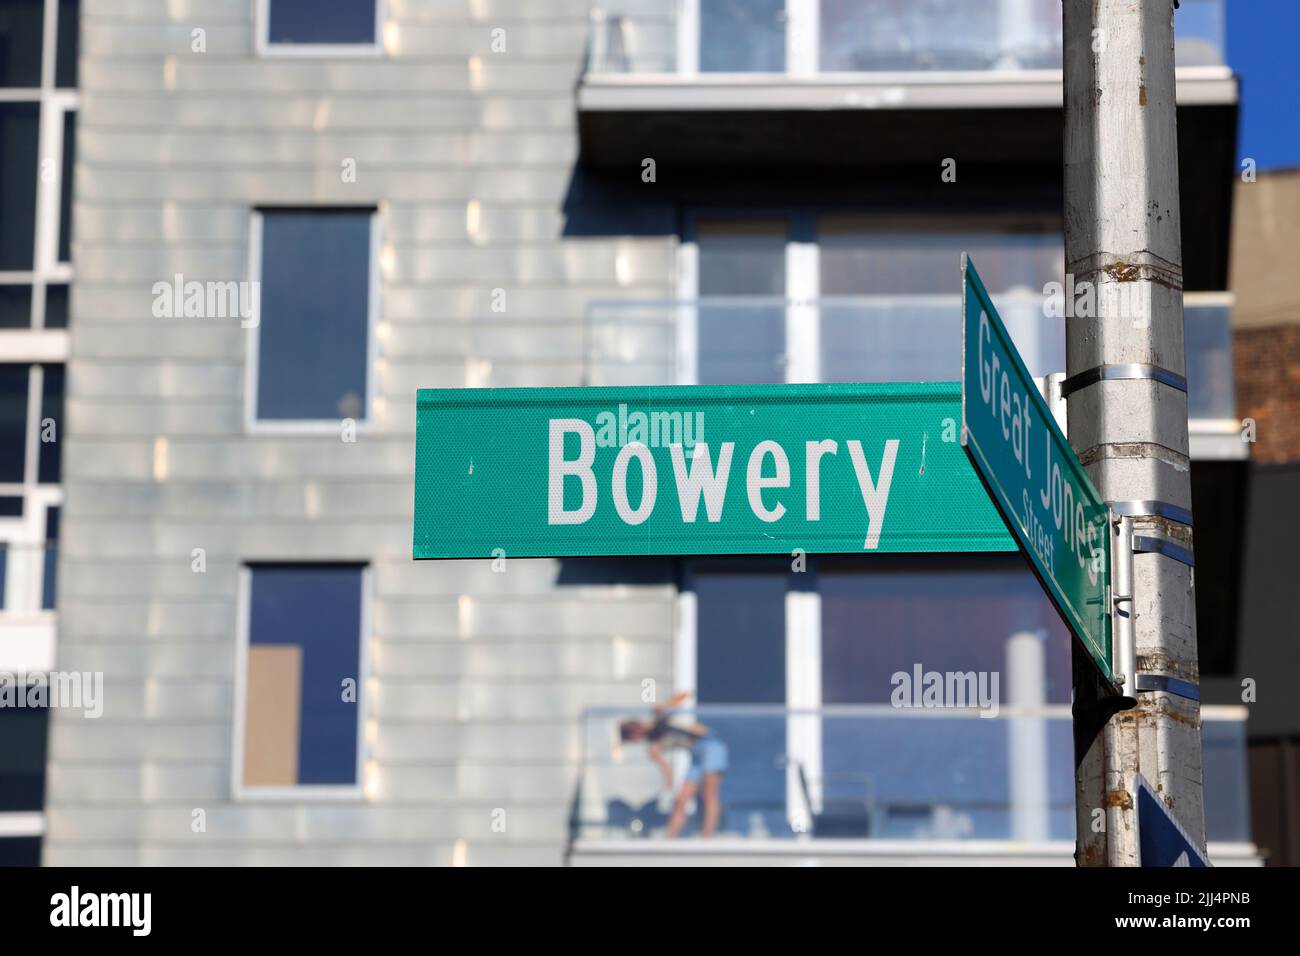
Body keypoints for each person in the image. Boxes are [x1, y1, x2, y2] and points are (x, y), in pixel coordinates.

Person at [619, 691, 728, 837]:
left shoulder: (659, 719)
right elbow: (666, 767)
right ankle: (670, 837)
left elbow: (673, 702)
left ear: (635, 732)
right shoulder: (653, 747)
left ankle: (707, 837)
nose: (637, 740)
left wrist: (673, 702)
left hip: (709, 745)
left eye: (633, 738)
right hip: (695, 754)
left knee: (709, 794)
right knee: (680, 799)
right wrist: (669, 784)